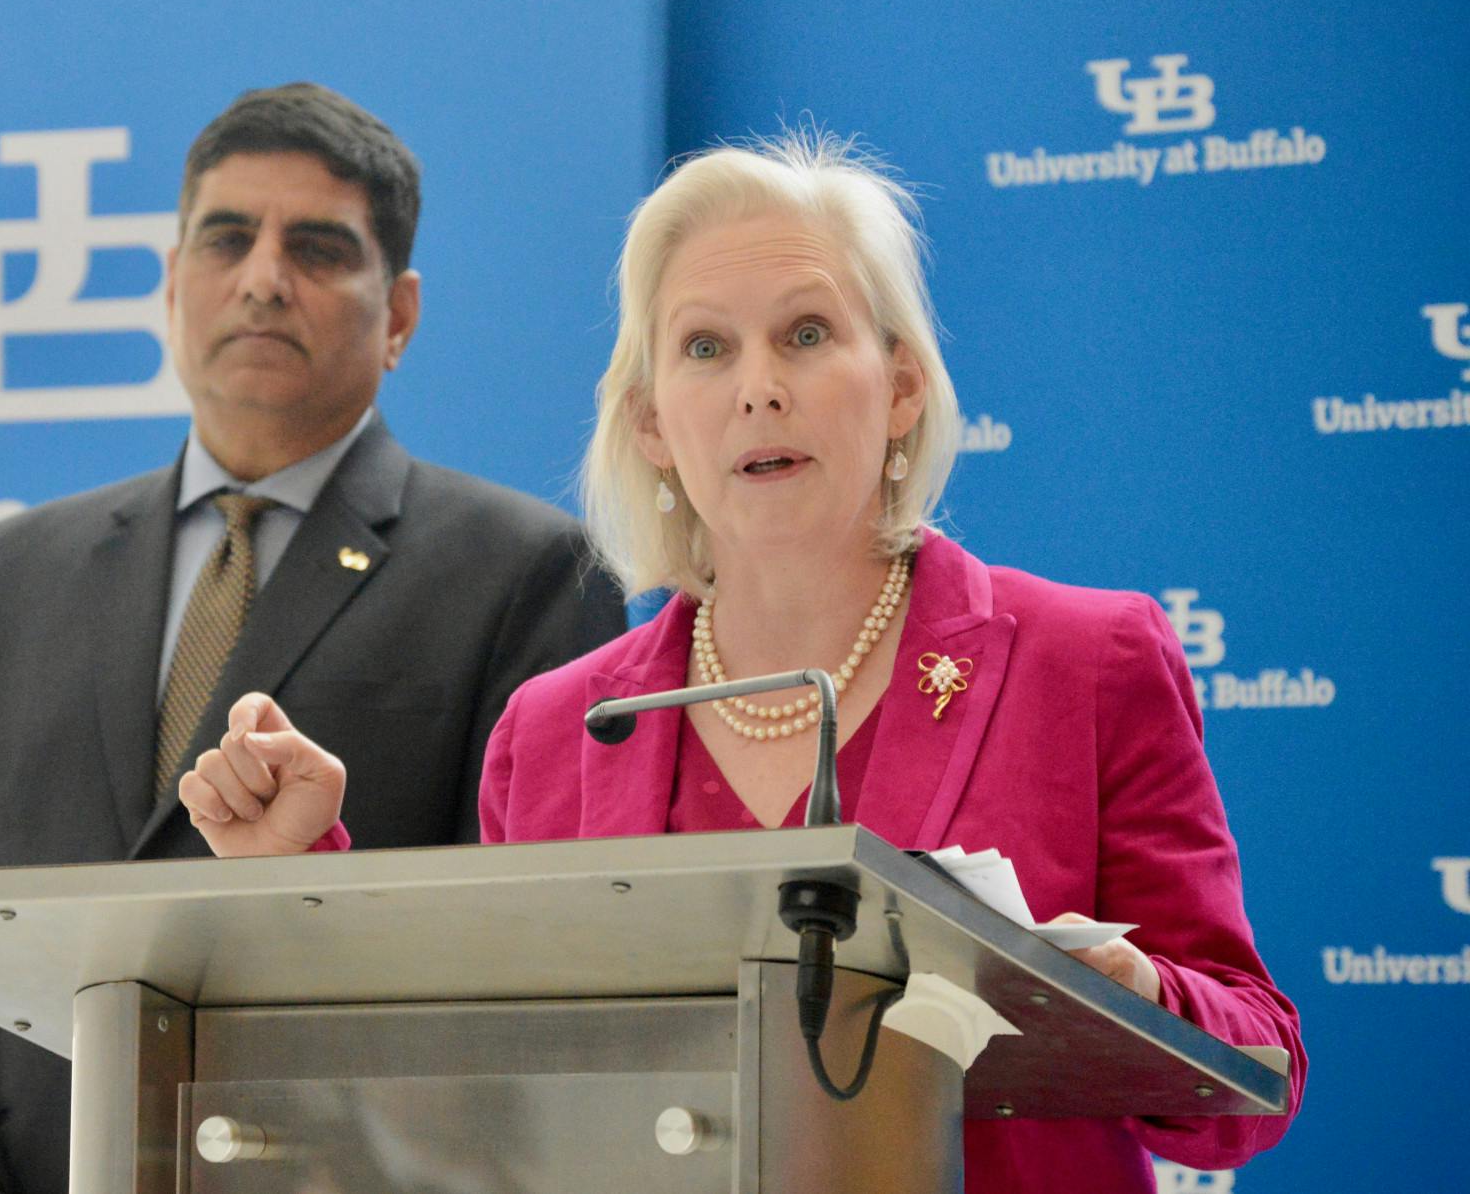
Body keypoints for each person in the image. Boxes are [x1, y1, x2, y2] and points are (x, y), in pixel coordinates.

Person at [179, 134, 1306, 1193]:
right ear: (653, 422)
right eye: (705, 347)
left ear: (900, 384)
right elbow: (472, 1106)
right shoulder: (553, 728)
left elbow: (1255, 1079)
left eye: (807, 334)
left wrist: (1133, 1005)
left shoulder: (1085, 658)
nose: (757, 386)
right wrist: (296, 878)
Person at [0, 83, 627, 1194]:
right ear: (173, 283)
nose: (263, 277)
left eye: (317, 249)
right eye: (228, 238)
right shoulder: (4, 575)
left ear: (399, 312)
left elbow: (530, 961)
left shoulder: (524, 571)